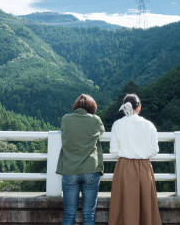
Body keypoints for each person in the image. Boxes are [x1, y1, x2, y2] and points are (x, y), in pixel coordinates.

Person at [108, 93, 161, 225]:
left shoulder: (117, 124)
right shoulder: (149, 125)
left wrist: (128, 151)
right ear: (139, 107)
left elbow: (113, 150)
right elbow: (155, 150)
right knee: (146, 205)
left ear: (125, 108)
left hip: (124, 166)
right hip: (144, 166)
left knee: (123, 204)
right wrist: (141, 152)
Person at [57, 93, 105, 225]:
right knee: (89, 214)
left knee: (69, 215)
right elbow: (102, 131)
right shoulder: (95, 120)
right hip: (91, 169)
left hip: (70, 170)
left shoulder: (65, 119)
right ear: (92, 107)